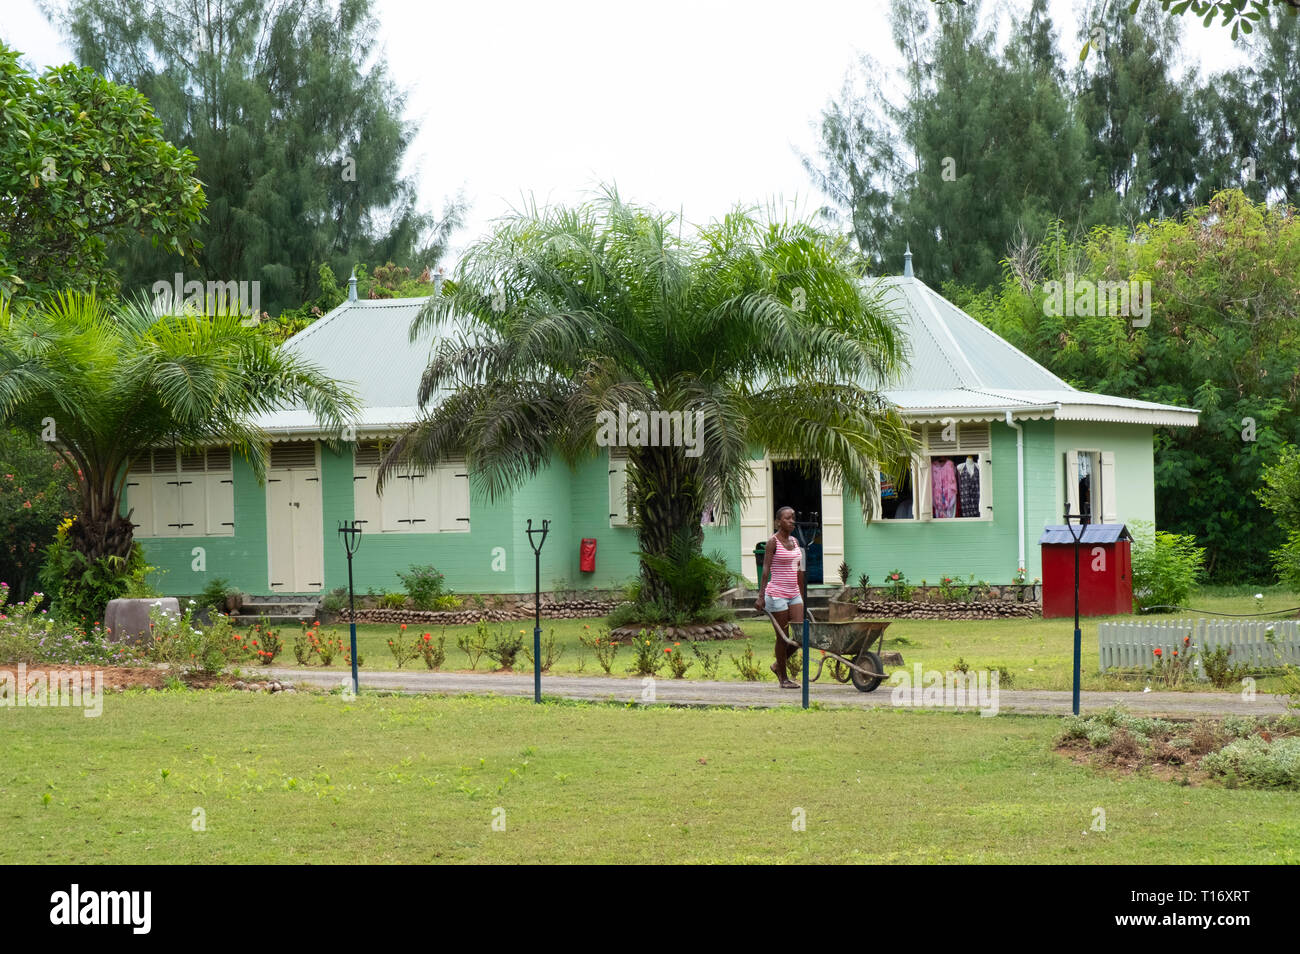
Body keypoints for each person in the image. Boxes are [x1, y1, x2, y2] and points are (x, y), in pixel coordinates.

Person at [754, 506, 804, 689]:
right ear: (778, 522)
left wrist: (801, 594)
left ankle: (777, 666)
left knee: (801, 636)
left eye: (793, 517)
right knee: (783, 638)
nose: (792, 521)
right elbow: (766, 570)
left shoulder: (796, 542)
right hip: (776, 594)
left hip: (794, 594)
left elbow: (798, 570)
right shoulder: (772, 542)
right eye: (788, 518)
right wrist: (761, 597)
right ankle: (783, 678)